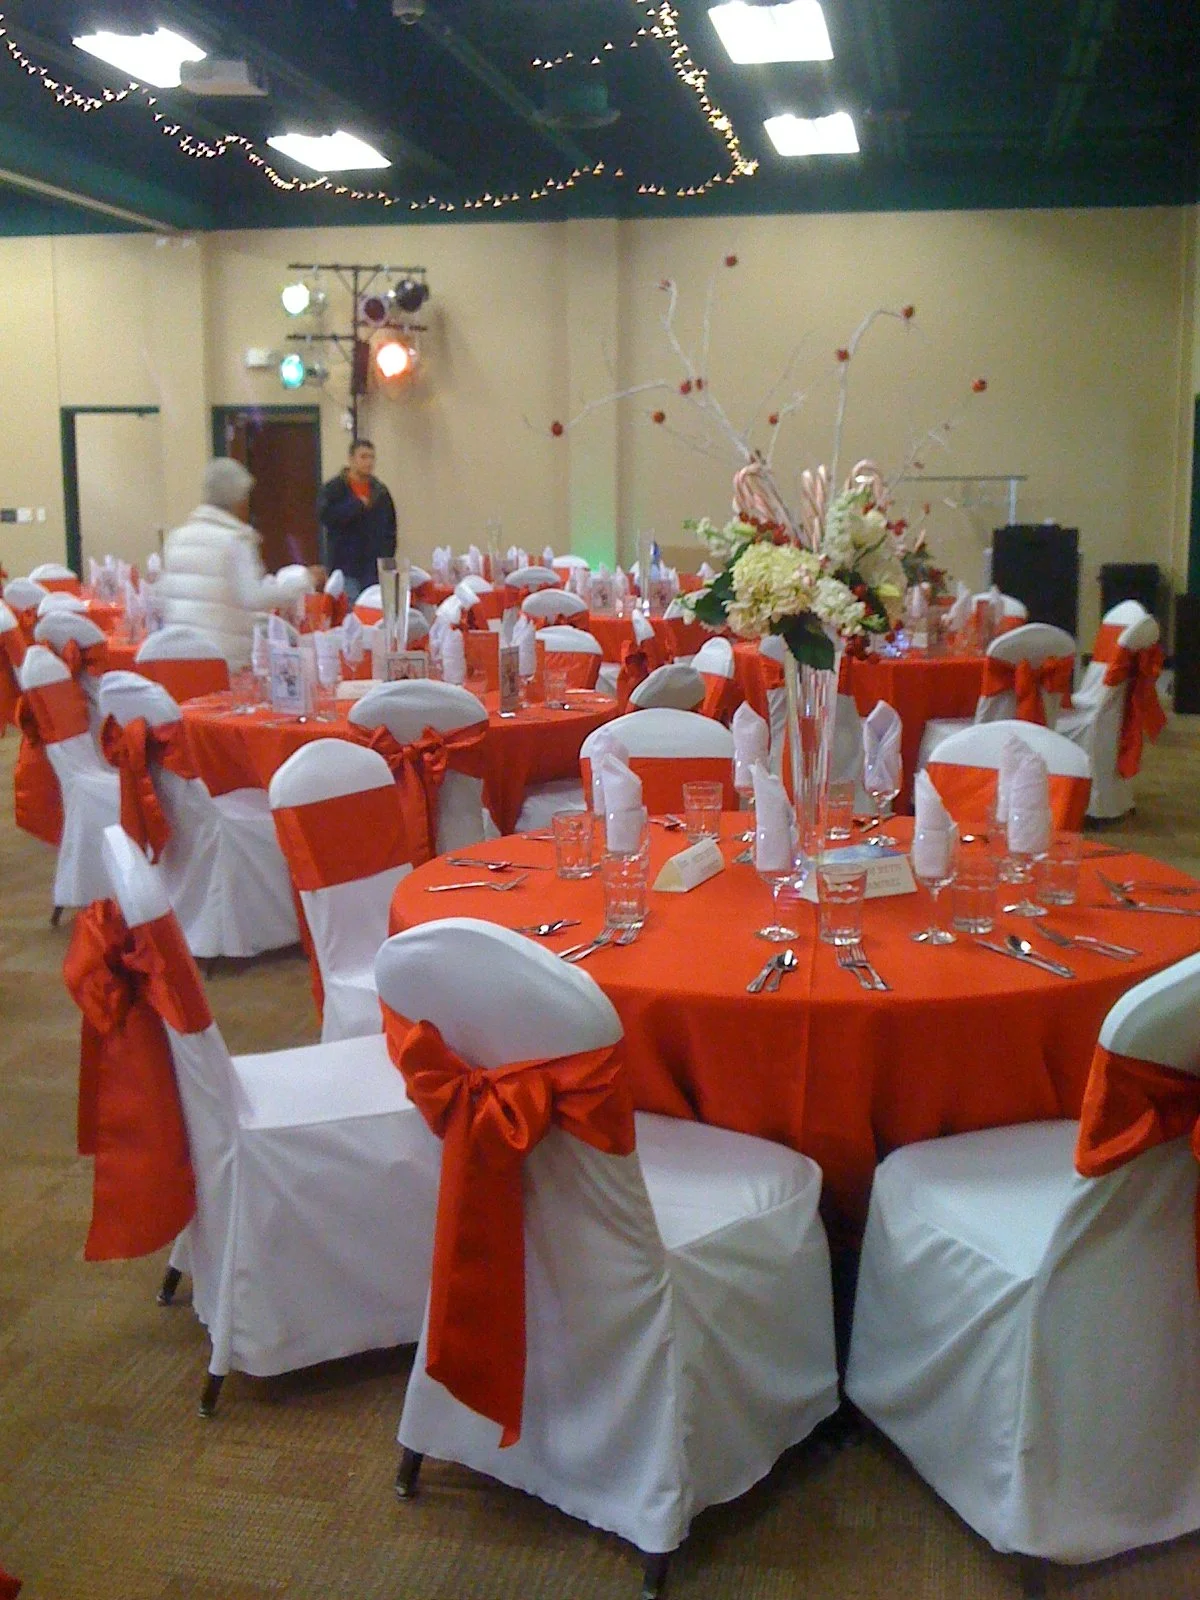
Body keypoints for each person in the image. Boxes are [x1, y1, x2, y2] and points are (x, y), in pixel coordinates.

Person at [157, 457, 311, 670]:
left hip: (177, 656)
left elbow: (163, 597)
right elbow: (252, 597)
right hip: (223, 656)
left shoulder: (177, 537)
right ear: (237, 498)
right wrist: (299, 585)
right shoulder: (234, 540)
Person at [316, 438, 397, 598]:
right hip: (345, 567)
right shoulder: (334, 489)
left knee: (373, 614)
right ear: (351, 459)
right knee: (350, 614)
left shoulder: (380, 492)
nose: (369, 462)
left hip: (374, 569)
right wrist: (355, 506)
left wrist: (387, 560)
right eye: (364, 457)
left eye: (372, 457)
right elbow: (326, 516)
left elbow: (390, 529)